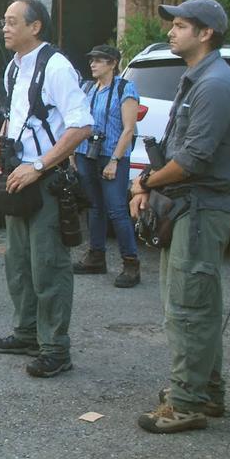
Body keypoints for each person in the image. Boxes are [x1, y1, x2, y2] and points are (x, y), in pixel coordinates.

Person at [129, 0, 230, 433]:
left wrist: (144, 184)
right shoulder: (196, 78)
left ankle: (186, 402)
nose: (171, 32)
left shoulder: (214, 84)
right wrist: (153, 184)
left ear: (206, 33)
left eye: (180, 25)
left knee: (188, 307)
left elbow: (194, 159)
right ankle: (205, 389)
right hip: (186, 206)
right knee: (197, 303)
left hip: (199, 207)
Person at [0, 0, 92, 377]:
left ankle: (55, 349)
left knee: (48, 266)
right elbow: (15, 117)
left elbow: (82, 125)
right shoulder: (15, 67)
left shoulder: (56, 67)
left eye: (14, 21)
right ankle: (27, 332)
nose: (5, 27)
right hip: (16, 177)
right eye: (4, 20)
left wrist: (40, 165)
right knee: (18, 263)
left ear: (36, 27)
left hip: (45, 181)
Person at [72, 44, 141, 287]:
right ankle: (96, 256)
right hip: (85, 153)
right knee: (94, 207)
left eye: (99, 60)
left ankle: (131, 262)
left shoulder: (125, 88)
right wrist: (72, 152)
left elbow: (129, 128)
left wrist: (115, 160)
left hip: (111, 154)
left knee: (116, 210)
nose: (93, 64)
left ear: (112, 63)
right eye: (92, 60)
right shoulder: (88, 88)